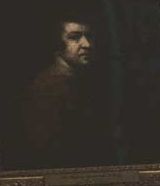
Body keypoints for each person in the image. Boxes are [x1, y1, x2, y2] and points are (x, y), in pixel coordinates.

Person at [16, 11, 110, 168]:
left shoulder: (78, 81)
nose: (87, 44)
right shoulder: (47, 87)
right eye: (74, 37)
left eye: (89, 36)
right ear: (57, 44)